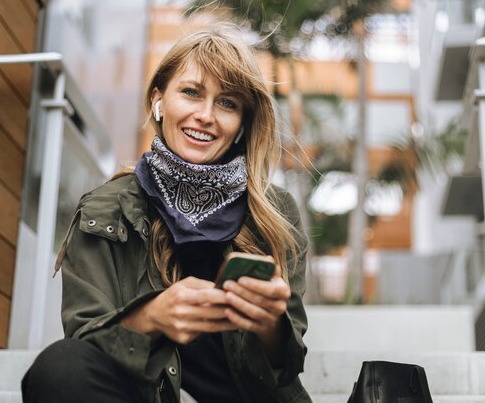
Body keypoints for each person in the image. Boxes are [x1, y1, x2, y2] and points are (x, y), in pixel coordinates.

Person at [21, 24, 311, 403]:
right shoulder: (104, 208)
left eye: (227, 103)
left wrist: (270, 321)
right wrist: (151, 318)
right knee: (58, 366)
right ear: (159, 100)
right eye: (191, 93)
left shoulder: (275, 212)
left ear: (242, 123)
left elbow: (286, 365)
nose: (205, 115)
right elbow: (84, 346)